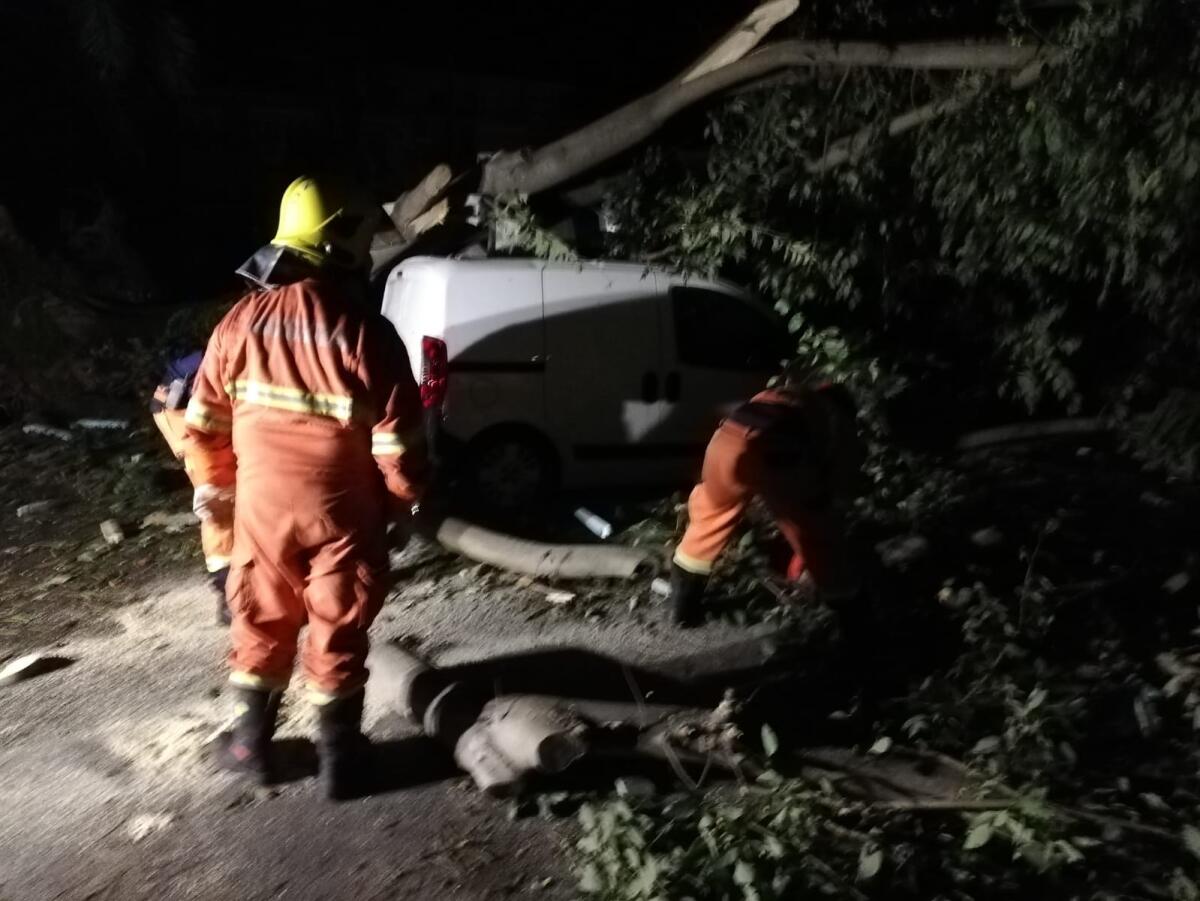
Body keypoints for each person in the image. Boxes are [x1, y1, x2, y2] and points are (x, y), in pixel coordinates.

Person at [184, 175, 427, 800]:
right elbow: (399, 444)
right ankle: (341, 758)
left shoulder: (239, 322)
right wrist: (401, 505)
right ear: (345, 242)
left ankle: (250, 747)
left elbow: (203, 427)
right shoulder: (368, 332)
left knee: (261, 619)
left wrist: (219, 492)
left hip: (261, 508)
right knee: (337, 622)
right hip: (345, 509)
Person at [668, 369, 866, 627]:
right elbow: (841, 483)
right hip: (774, 450)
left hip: (723, 444)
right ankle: (853, 618)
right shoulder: (836, 416)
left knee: (709, 520)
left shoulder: (783, 395)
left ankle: (683, 610)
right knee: (815, 533)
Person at [151, 351, 236, 626]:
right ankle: (229, 593)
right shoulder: (245, 348)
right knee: (220, 498)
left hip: (213, 403)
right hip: (185, 407)